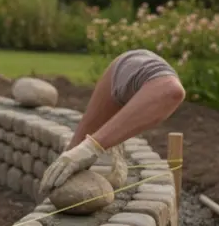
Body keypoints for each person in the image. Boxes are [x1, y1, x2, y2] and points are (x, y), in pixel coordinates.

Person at [37, 48, 186, 195]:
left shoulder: (153, 83)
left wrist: (91, 147)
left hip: (131, 70)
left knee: (79, 151)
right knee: (73, 155)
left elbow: (172, 92)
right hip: (128, 70)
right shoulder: (126, 82)